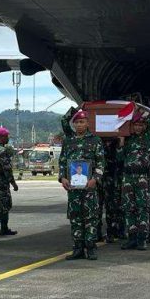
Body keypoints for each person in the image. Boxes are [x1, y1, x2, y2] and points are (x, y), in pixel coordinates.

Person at [58, 109, 105, 260]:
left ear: (87, 123)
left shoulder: (95, 140)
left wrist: (95, 178)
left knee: (90, 217)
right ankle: (78, 248)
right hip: (73, 187)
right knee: (75, 217)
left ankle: (90, 248)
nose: (79, 125)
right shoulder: (68, 141)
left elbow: (101, 162)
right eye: (77, 122)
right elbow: (62, 162)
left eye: (82, 122)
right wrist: (62, 178)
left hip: (89, 187)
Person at [118, 110, 150, 250]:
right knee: (129, 208)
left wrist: (139, 110)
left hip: (142, 177)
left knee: (143, 208)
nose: (138, 127)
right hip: (128, 177)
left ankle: (142, 239)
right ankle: (132, 238)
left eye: (141, 125)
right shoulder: (128, 139)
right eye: (136, 125)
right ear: (131, 126)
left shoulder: (148, 138)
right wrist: (121, 141)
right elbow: (119, 158)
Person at [0, 127, 19, 236]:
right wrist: (13, 183)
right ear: (1, 137)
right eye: (6, 136)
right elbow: (7, 168)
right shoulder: (2, 151)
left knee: (4, 204)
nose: (8, 138)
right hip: (1, 180)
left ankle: (4, 228)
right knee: (6, 204)